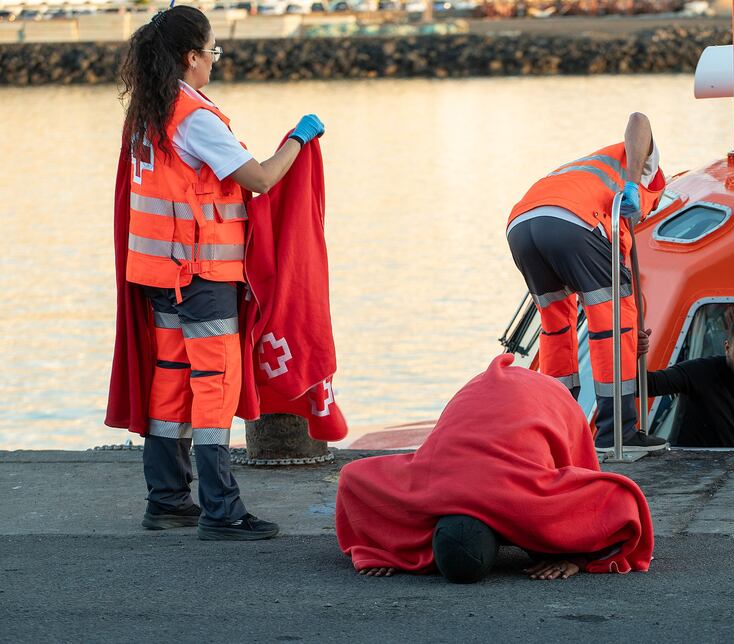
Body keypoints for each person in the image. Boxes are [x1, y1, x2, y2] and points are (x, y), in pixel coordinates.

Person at [115, 5, 325, 539]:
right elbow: (259, 179)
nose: (214, 61)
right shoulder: (196, 118)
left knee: (171, 385)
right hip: (201, 274)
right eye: (212, 52)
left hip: (157, 274)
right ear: (191, 58)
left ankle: (166, 501)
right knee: (215, 386)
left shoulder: (148, 111)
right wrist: (298, 141)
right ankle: (223, 510)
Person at [336, 354, 654, 582]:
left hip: (548, 397)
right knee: (557, 518)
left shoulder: (531, 503)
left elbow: (622, 501)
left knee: (556, 520)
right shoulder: (422, 492)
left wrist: (573, 554)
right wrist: (387, 551)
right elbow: (353, 479)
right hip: (492, 396)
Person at [505, 113, 668, 453]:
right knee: (612, 324)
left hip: (521, 226)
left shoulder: (581, 173)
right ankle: (617, 435)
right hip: (573, 222)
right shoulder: (643, 173)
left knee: (556, 329)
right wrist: (634, 182)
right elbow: (640, 120)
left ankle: (554, 430)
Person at [637, 316, 734, 447]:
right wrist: (633, 353)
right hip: (689, 464)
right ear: (727, 348)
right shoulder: (700, 372)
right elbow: (645, 386)